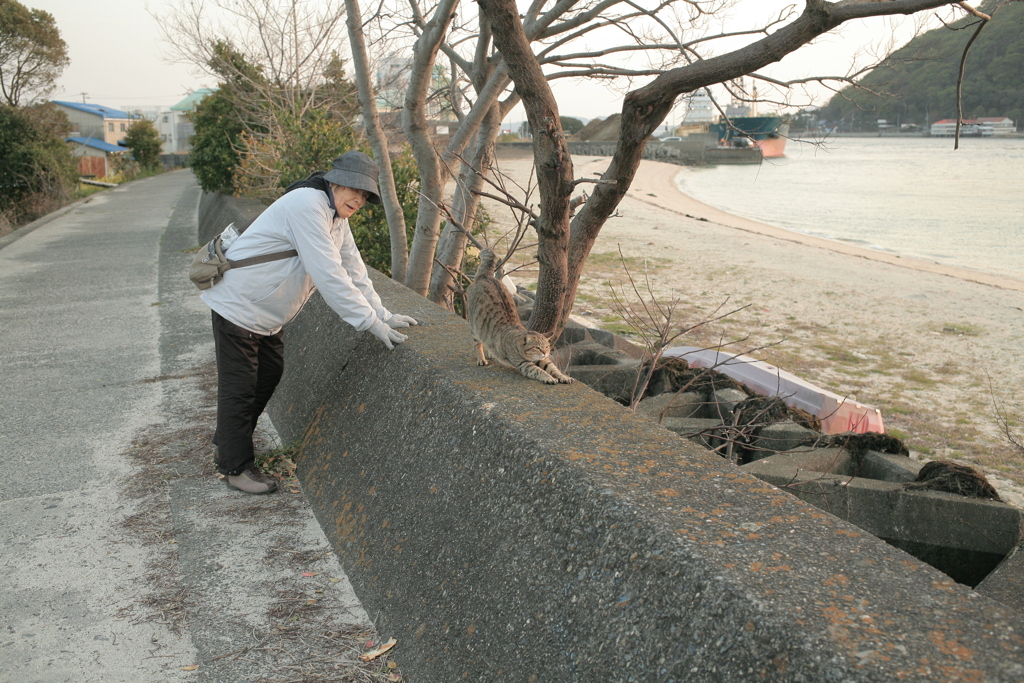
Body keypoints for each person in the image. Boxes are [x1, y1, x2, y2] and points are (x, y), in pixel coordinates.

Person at [201, 151, 417, 494]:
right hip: (238, 306)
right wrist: (368, 323)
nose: (358, 200)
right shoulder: (307, 204)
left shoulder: (335, 216)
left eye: (365, 195)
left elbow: (353, 268)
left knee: (269, 375)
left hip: (264, 314)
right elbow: (328, 273)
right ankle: (235, 467)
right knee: (240, 388)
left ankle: (229, 441)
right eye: (354, 189)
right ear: (335, 182)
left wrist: (383, 314)